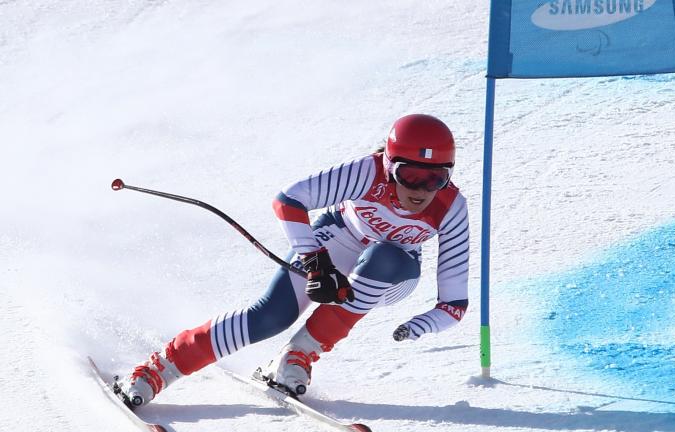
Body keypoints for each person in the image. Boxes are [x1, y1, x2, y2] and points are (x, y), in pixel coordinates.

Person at [117, 113, 471, 407]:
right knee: (272, 316)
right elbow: (288, 200)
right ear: (390, 164)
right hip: (337, 238)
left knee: (385, 257)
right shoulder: (368, 172)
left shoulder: (451, 207)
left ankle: (298, 355)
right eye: (410, 176)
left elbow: (453, 305)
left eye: (436, 179)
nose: (422, 191)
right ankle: (159, 368)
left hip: (395, 272)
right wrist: (317, 264)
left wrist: (418, 327)